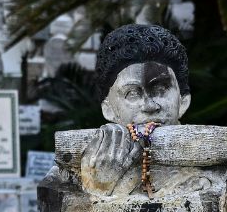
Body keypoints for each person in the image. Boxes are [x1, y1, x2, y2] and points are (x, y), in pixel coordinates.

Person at [77, 24, 209, 198]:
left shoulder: (210, 176)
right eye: (132, 94)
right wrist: (98, 186)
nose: (149, 105)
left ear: (183, 101)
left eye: (161, 90)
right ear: (108, 110)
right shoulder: (80, 172)